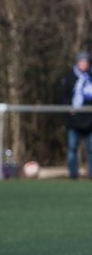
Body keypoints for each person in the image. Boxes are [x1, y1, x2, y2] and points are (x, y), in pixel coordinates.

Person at [57, 50, 92, 179]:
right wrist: (69, 109)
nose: (83, 64)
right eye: (81, 61)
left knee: (91, 149)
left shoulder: (91, 77)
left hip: (90, 120)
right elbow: (62, 95)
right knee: (72, 148)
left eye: (86, 61)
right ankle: (73, 175)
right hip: (74, 120)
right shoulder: (69, 77)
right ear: (77, 62)